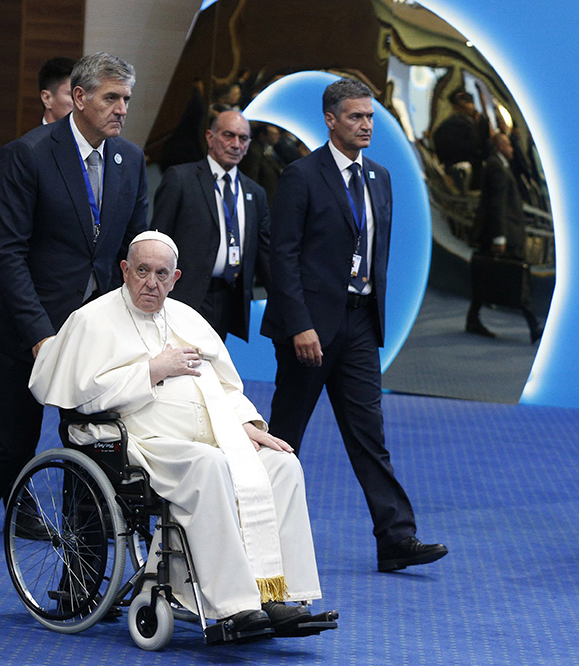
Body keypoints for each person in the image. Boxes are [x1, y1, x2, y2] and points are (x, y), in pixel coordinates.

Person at [29, 232, 328, 635]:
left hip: (211, 435)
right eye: (142, 271)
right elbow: (83, 398)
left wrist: (246, 424)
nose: (151, 283)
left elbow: (226, 387)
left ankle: (278, 594)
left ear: (175, 278)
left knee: (281, 463)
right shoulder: (92, 319)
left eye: (161, 274)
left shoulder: (188, 318)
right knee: (209, 465)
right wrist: (153, 370)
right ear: (124, 271)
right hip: (141, 443)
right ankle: (234, 605)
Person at [0, 52, 148, 593]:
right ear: (78, 98)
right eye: (110, 98)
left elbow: (132, 249)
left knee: (91, 443)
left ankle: (79, 577)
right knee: (12, 442)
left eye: (126, 99)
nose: (121, 109)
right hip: (22, 328)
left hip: (96, 332)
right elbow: (6, 253)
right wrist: (39, 335)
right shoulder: (25, 156)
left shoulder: (129, 159)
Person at [261, 77, 447, 573]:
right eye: (356, 117)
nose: (366, 125)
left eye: (369, 117)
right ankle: (256, 533)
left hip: (361, 323)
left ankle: (396, 538)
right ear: (330, 119)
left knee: (370, 435)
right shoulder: (301, 176)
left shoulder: (380, 177)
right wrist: (300, 324)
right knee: (283, 438)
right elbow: (283, 256)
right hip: (310, 329)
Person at [151, 110, 269, 341]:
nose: (236, 144)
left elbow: (266, 254)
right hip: (185, 297)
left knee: (214, 368)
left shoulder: (255, 193)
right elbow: (158, 243)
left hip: (229, 300)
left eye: (243, 138)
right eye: (228, 135)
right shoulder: (181, 179)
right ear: (209, 137)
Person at [465, 132, 542, 342]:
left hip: (502, 232)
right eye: (508, 145)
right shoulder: (496, 166)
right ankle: (533, 325)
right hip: (503, 233)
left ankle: (473, 319)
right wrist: (500, 237)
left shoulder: (498, 164)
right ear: (499, 147)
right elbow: (497, 203)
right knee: (515, 277)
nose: (511, 148)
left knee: (489, 276)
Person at [39, 56, 76, 125]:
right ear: (47, 98)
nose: (80, 102)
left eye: (81, 95)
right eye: (72, 95)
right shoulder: (33, 136)